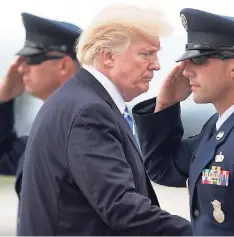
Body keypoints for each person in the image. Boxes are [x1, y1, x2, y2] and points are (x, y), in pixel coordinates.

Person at [17, 4, 192, 236]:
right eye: (146, 54)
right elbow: (120, 206)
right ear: (108, 57)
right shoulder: (89, 112)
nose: (157, 64)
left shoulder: (79, 100)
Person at [132, 8, 234, 236]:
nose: (186, 71)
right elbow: (163, 168)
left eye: (198, 59)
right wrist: (165, 106)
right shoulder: (218, 127)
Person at [0, 13, 81, 198]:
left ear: (63, 65)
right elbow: (3, 156)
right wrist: (4, 99)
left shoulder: (82, 128)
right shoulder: (53, 129)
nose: (20, 68)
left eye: (32, 58)